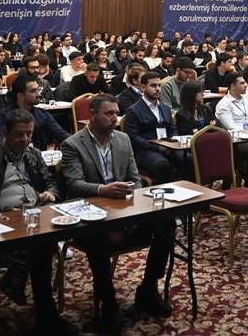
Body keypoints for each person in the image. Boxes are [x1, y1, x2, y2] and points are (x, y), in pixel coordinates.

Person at [61, 95, 174, 330]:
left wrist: (135, 198)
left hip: (124, 209)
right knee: (98, 237)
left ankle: (148, 288)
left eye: (116, 113)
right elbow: (74, 184)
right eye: (109, 114)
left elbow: (135, 178)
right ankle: (109, 302)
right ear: (92, 115)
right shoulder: (73, 144)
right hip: (90, 212)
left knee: (166, 222)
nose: (115, 118)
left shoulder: (123, 139)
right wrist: (102, 190)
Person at [0, 110, 73, 332]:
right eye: (19, 134)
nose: (25, 139)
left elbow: (50, 182)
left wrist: (51, 193)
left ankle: (20, 281)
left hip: (34, 216)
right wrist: (4, 210)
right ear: (6, 133)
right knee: (41, 246)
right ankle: (47, 314)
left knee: (39, 243)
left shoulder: (33, 155)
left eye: (29, 134)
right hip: (3, 222)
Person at [124, 71, 180, 184]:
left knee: (188, 159)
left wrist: (172, 143)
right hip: (145, 151)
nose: (158, 89)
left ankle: (186, 190)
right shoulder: (133, 110)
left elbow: (172, 129)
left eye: (159, 85)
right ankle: (166, 191)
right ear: (143, 87)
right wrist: (157, 147)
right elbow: (133, 138)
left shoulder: (165, 108)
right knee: (162, 164)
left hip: (168, 147)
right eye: (153, 86)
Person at [214, 72, 248, 188]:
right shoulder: (224, 105)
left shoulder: (247, 101)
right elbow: (232, 128)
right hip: (236, 140)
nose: (246, 85)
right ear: (232, 86)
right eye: (242, 83)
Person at [0, 74, 70, 149]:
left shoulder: (42, 114)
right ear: (20, 96)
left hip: (39, 155)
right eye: (33, 91)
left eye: (38, 90)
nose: (38, 95)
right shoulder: (3, 117)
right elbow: (1, 144)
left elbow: (62, 135)